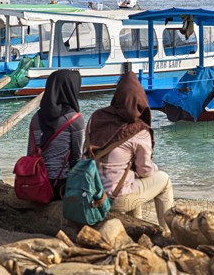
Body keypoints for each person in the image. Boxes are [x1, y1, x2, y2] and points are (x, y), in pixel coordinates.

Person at [87, 72, 173, 233]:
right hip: (116, 200)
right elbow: (145, 170)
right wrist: (154, 168)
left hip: (93, 194)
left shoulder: (97, 118)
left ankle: (137, 223)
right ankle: (166, 231)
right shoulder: (139, 130)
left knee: (130, 174)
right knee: (164, 180)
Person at [28, 69, 85, 200]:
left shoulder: (36, 117)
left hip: (35, 182)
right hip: (59, 185)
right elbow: (76, 157)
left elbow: (30, 152)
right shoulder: (75, 119)